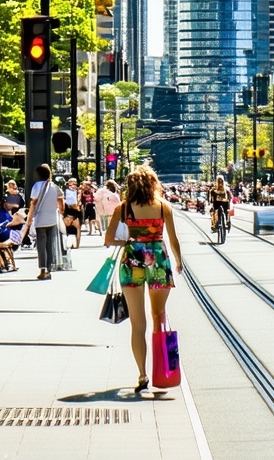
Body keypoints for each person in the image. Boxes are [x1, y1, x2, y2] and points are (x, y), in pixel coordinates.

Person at [104, 166, 184, 393]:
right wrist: (178, 261)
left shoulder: (123, 208)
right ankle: (164, 369)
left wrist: (130, 243)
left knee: (137, 324)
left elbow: (109, 239)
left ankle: (142, 374)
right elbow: (174, 240)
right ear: (153, 184)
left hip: (132, 262)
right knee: (159, 316)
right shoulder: (163, 208)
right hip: (158, 261)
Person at [25, 164, 62, 280]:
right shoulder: (54, 186)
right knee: (50, 244)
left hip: (41, 219)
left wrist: (29, 219)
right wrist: (61, 210)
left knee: (41, 245)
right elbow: (61, 198)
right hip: (52, 219)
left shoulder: (37, 186)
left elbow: (33, 203)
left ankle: (42, 269)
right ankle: (49, 269)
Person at [63, 179, 82, 249]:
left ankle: (77, 245)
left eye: (74, 184)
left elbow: (79, 203)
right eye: (71, 184)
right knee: (66, 228)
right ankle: (69, 244)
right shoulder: (66, 192)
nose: (73, 186)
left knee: (78, 228)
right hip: (69, 212)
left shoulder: (78, 192)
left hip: (75, 212)